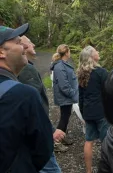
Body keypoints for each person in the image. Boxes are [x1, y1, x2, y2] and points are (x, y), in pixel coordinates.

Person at [0, 23, 53, 173]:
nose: (24, 46)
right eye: (18, 42)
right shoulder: (24, 95)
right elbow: (43, 150)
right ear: (1, 52)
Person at [18, 36, 66, 172]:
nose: (33, 44)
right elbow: (34, 105)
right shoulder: (27, 70)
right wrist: (49, 130)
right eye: (29, 42)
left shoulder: (28, 68)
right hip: (38, 133)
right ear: (22, 47)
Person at [77, 46, 110, 173]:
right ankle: (108, 168)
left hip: (88, 112)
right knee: (106, 142)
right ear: (91, 56)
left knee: (89, 141)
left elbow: (81, 96)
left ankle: (88, 171)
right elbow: (108, 93)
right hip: (101, 112)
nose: (98, 52)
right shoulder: (101, 72)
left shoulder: (82, 73)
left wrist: (83, 114)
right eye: (96, 51)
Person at [50, 44, 78, 146]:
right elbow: (64, 86)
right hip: (65, 96)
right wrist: (74, 94)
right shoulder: (59, 66)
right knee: (64, 117)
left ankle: (62, 136)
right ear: (66, 52)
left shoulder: (62, 64)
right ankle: (57, 141)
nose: (70, 53)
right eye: (69, 51)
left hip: (66, 96)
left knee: (65, 116)